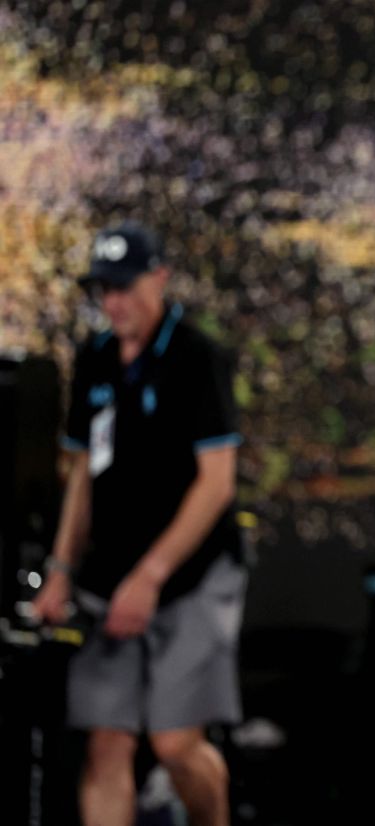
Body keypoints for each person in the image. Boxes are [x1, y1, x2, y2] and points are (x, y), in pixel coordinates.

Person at [30, 221, 246, 826]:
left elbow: (217, 483)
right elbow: (81, 478)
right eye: (104, 289)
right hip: (109, 577)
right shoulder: (94, 358)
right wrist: (61, 569)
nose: (114, 302)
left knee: (175, 743)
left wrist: (150, 577)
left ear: (159, 278)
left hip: (192, 576)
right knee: (106, 740)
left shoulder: (197, 357)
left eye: (125, 287)